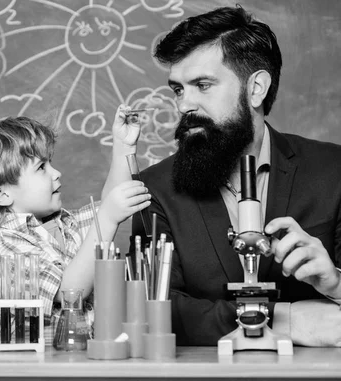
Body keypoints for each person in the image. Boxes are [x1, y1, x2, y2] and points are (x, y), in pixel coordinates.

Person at [131, 6, 341, 347]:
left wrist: (336, 284)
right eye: (179, 90)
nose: (184, 105)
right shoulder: (154, 188)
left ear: (256, 88)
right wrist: (283, 319)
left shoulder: (334, 169)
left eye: (202, 85)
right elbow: (154, 306)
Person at [0, 106, 151, 341]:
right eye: (41, 168)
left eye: (50, 163)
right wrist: (107, 218)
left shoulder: (62, 223)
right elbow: (70, 292)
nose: (56, 173)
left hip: (82, 356)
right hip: (38, 368)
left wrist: (123, 147)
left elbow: (114, 200)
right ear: (1, 193)